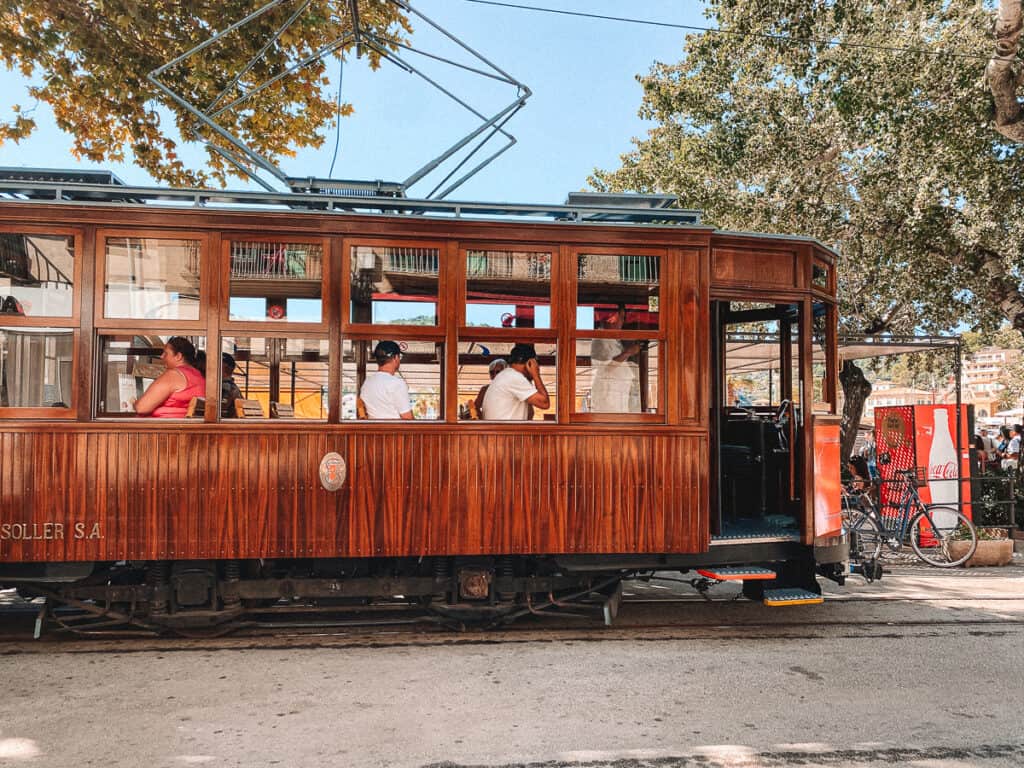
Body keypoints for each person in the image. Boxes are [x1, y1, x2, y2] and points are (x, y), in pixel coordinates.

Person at [134, 336, 206, 418]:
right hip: (182, 424)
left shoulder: (174, 375)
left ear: (178, 356)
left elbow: (141, 407)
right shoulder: (198, 375)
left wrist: (134, 403)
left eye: (166, 353)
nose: (162, 357)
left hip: (166, 424)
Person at [589, 305, 641, 413]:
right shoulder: (600, 339)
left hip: (618, 397)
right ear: (612, 317)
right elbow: (606, 368)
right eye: (621, 318)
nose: (622, 322)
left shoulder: (613, 340)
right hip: (608, 399)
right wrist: (628, 352)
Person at [481, 343, 550, 420]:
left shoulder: (507, 375)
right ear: (530, 363)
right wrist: (536, 374)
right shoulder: (514, 377)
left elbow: (530, 413)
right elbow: (545, 403)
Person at [359, 340, 413, 420]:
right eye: (400, 357)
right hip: (394, 428)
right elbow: (408, 419)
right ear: (396, 358)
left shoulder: (367, 383)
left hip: (373, 427)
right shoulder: (397, 384)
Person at [221, 352, 243, 417]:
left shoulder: (226, 387)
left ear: (226, 367)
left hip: (226, 421)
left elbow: (222, 407)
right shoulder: (231, 386)